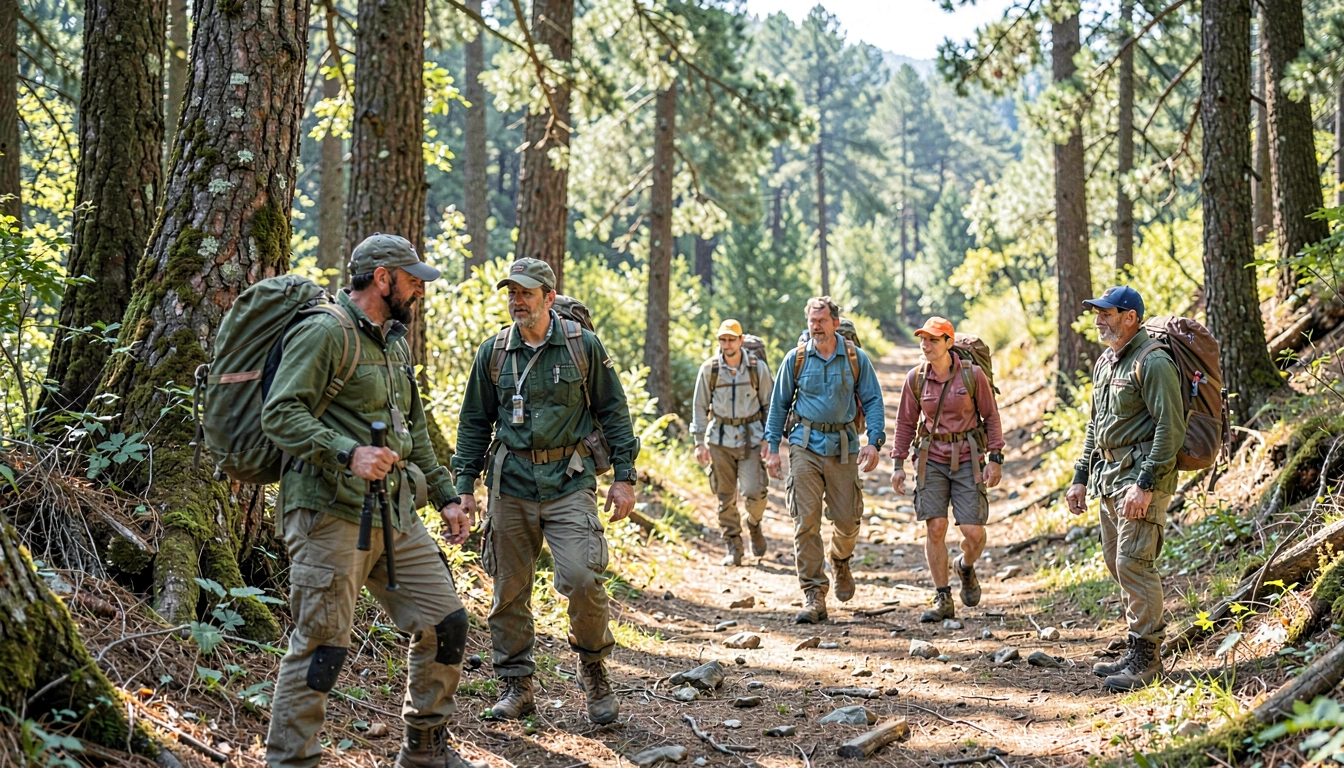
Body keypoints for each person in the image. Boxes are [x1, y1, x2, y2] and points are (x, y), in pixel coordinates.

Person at [262, 234, 476, 768]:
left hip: (394, 514)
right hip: (328, 513)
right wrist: (347, 451)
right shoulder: (325, 333)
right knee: (321, 647)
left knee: (445, 623)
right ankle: (292, 762)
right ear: (383, 279)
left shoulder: (394, 342)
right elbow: (280, 413)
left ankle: (424, 751)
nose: (420, 291)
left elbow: (416, 430)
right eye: (413, 280)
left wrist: (447, 496)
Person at [451, 258, 640, 725]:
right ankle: (517, 685)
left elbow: (614, 411)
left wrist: (624, 476)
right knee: (508, 591)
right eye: (511, 293)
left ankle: (593, 668)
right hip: (510, 484)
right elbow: (473, 422)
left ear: (549, 298)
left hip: (569, 481)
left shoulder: (583, 347)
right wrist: (464, 488)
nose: (517, 302)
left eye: (526, 293)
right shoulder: (493, 352)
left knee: (582, 577)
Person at [1066, 286, 1185, 692]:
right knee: (1118, 563)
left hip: (1140, 480)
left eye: (1107, 313)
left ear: (1130, 317)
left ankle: (1147, 659)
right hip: (1109, 478)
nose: (1098, 319)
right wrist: (1081, 475)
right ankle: (1136, 645)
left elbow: (1171, 428)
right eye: (1097, 313)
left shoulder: (1153, 362)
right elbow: (1094, 427)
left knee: (1135, 563)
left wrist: (1147, 484)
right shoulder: (1106, 363)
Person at [764, 297, 886, 624]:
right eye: (811, 320)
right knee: (806, 522)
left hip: (844, 447)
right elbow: (778, 405)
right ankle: (814, 593)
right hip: (804, 446)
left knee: (847, 522)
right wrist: (772, 448)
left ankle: (840, 560)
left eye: (821, 320)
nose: (815, 326)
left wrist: (874, 442)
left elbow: (874, 400)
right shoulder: (797, 359)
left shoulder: (856, 358)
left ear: (835, 322)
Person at [889, 317, 1005, 623]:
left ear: (949, 343)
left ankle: (965, 567)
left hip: (968, 458)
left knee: (973, 531)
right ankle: (942, 597)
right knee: (935, 526)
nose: (926, 345)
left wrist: (995, 458)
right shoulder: (916, 378)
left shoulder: (972, 375)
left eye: (933, 340)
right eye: (923, 340)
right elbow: (904, 423)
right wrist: (898, 464)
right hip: (931, 459)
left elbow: (991, 416)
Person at [690, 320, 774, 566]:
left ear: (740, 341)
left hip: (751, 439)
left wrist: (771, 438)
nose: (727, 344)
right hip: (719, 441)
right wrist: (699, 443)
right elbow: (699, 406)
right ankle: (734, 546)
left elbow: (770, 404)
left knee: (755, 492)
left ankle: (754, 524)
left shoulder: (757, 368)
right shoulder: (710, 369)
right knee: (725, 497)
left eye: (731, 339)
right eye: (722, 340)